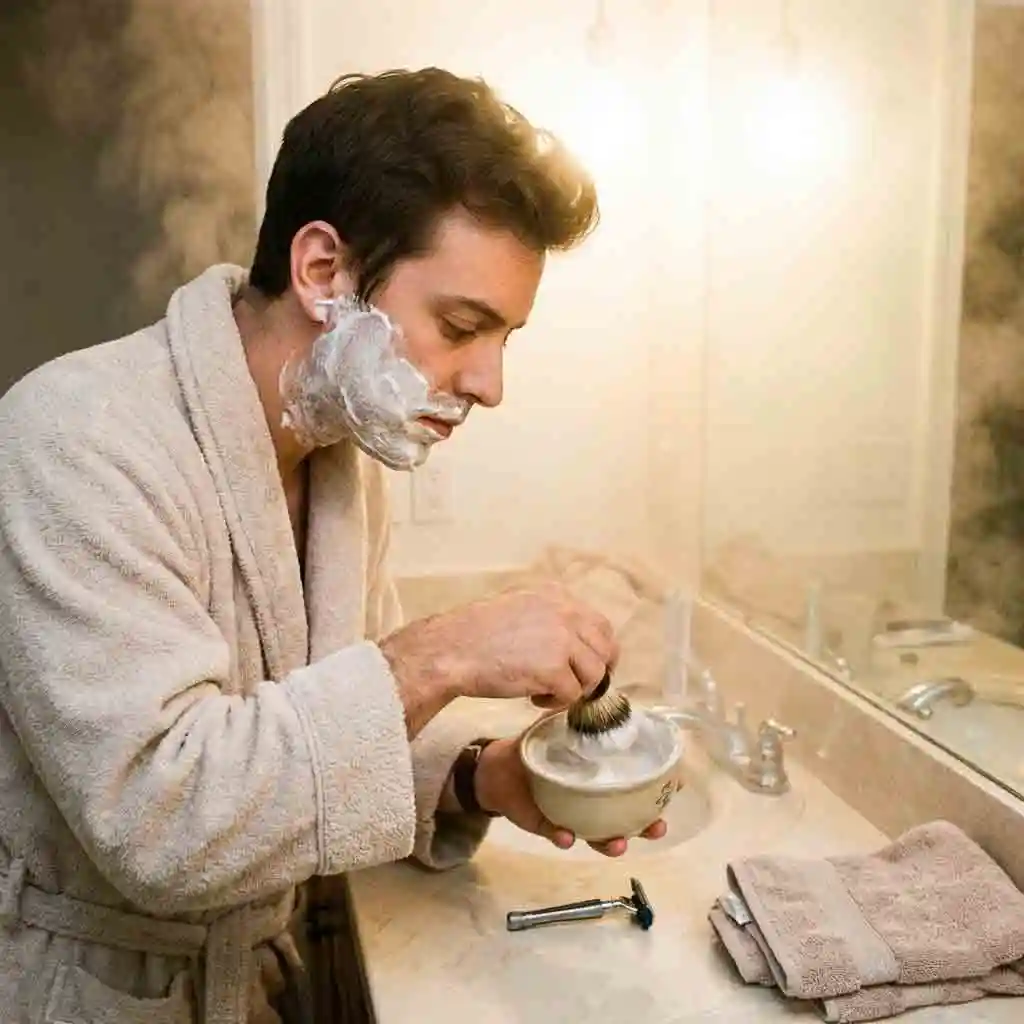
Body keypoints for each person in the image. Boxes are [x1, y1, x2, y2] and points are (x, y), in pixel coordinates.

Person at [0, 67, 666, 1022]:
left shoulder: (343, 460)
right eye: (461, 326)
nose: (488, 383)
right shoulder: (74, 438)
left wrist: (487, 778)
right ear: (323, 273)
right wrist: (445, 651)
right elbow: (159, 820)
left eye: (506, 338)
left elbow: (344, 711)